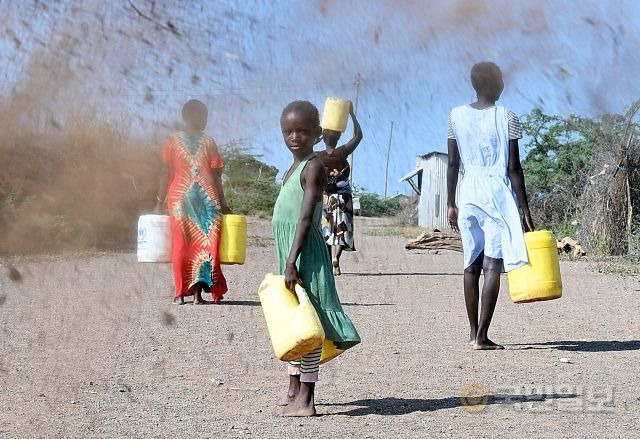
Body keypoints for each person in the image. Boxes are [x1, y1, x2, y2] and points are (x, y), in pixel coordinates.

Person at [273, 100, 360, 416]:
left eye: (302, 131)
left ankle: (307, 399)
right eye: (288, 131)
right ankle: (294, 389)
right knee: (296, 321)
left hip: (304, 254)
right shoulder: (293, 168)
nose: (294, 137)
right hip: (292, 254)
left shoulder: (314, 167)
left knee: (310, 324)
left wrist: (291, 260)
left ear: (317, 134)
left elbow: (306, 218)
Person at [446, 62, 534, 350]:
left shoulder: (455, 116)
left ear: (474, 85)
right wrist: (524, 208)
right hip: (496, 192)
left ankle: (473, 333)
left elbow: (453, 163)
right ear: (498, 85)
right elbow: (513, 168)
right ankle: (482, 336)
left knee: (470, 264)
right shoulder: (507, 117)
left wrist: (450, 203)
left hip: (467, 191)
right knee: (493, 263)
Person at [156, 99, 231, 305]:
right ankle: (198, 295)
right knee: (205, 245)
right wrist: (223, 204)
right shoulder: (209, 142)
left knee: (181, 245)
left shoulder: (171, 140)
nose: (206, 120)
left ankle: (180, 294)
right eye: (204, 116)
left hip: (180, 200)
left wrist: (159, 200)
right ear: (197, 117)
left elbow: (164, 172)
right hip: (207, 200)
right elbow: (217, 175)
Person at [317, 103, 363, 276]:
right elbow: (359, 135)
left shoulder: (317, 156)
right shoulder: (341, 153)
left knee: (327, 230)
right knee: (342, 230)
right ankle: (337, 257)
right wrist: (351, 114)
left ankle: (330, 262)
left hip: (326, 197)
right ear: (337, 139)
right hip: (344, 197)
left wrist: (319, 137)